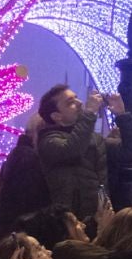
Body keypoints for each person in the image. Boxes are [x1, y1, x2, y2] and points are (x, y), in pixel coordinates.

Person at [36, 84, 123, 221]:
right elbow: (72, 149)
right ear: (56, 116)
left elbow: (131, 152)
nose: (79, 103)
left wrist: (122, 115)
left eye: (76, 98)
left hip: (100, 216)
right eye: (70, 102)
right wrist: (89, 112)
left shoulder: (93, 138)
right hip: (69, 222)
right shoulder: (48, 141)